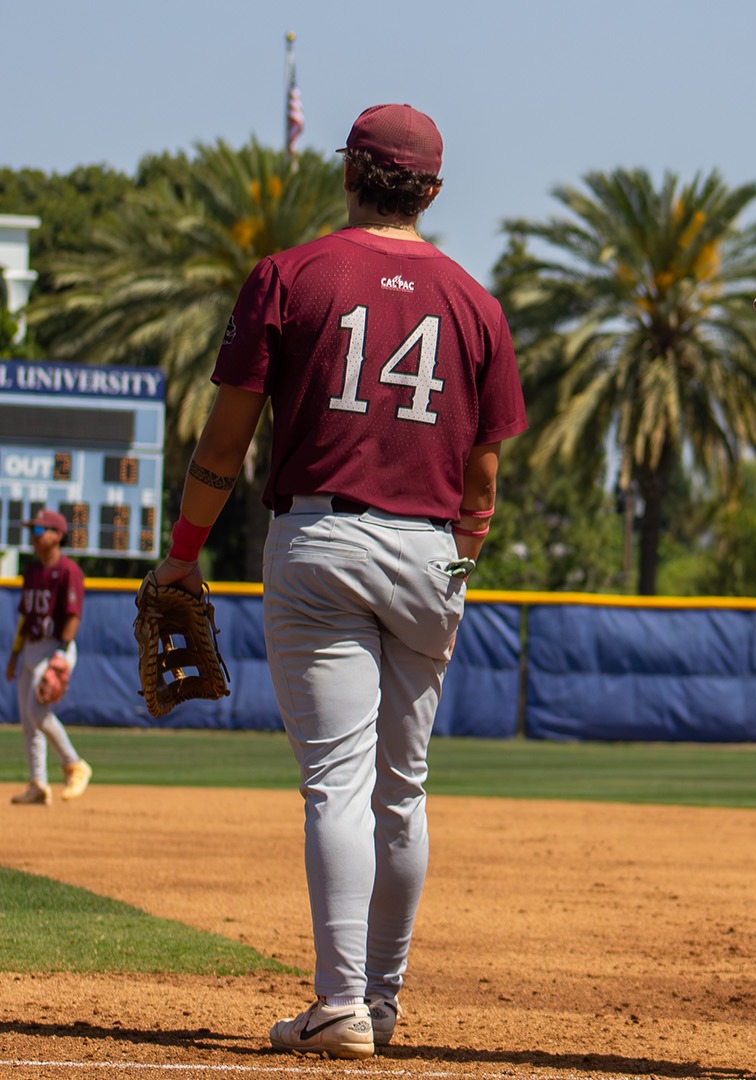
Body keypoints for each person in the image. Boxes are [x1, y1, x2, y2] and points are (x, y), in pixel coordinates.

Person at [156, 103, 526, 1060]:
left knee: (336, 783)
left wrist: (183, 550)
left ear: (349, 173)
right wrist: (461, 564)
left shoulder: (292, 275)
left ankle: (340, 1003)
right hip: (430, 553)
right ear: (434, 190)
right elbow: (484, 478)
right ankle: (384, 1002)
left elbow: (226, 442)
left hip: (320, 541)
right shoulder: (477, 304)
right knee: (403, 791)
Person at [7, 508, 92, 805]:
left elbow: (73, 616)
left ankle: (74, 764)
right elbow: (25, 617)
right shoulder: (32, 571)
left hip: (55, 646)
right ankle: (38, 785)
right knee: (29, 721)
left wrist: (60, 654)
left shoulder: (69, 571)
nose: (34, 536)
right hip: (30, 646)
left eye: (40, 531)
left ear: (57, 536)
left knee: (37, 712)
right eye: (33, 530)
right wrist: (15, 654)